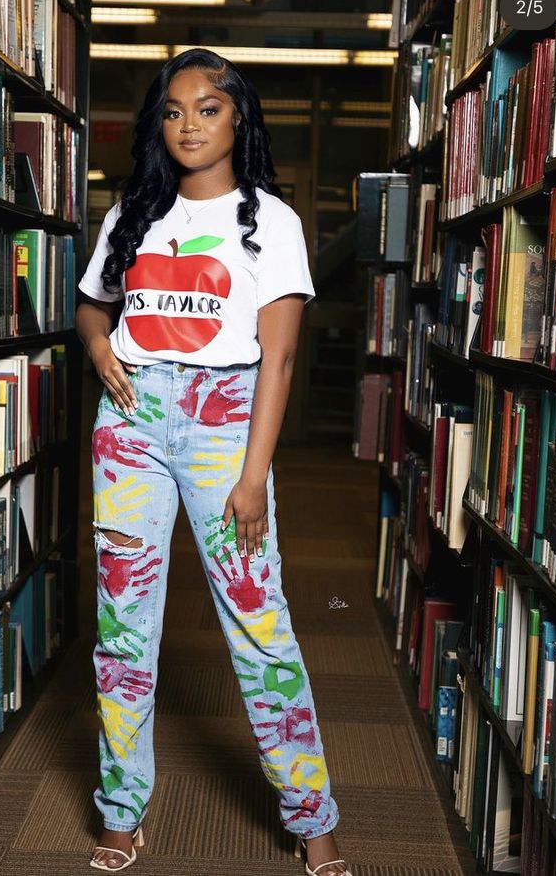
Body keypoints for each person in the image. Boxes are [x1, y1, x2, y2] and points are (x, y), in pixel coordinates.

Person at [75, 47, 351, 876]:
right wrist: (97, 351)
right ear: (158, 124)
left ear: (239, 119)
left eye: (208, 108)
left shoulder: (273, 220)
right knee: (123, 631)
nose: (189, 123)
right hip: (129, 421)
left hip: (226, 421)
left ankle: (315, 820)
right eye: (173, 110)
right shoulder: (134, 213)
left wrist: (255, 474)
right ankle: (121, 813)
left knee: (260, 627)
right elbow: (92, 310)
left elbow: (280, 359)